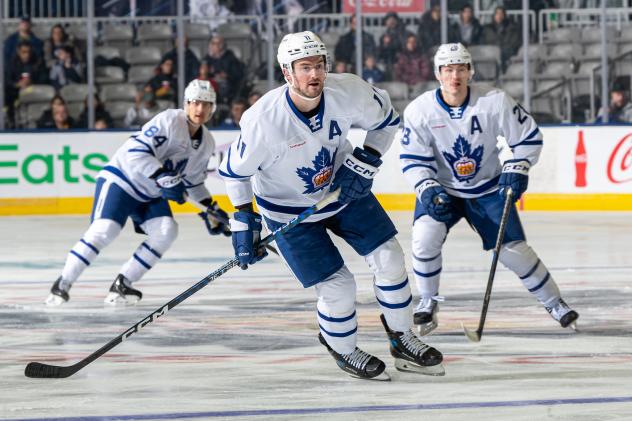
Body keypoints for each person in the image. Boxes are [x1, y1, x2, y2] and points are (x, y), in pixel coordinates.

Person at [218, 31, 444, 381]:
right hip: (288, 213)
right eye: (304, 67)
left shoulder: (347, 91)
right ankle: (343, 348)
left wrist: (366, 159)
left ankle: (402, 338)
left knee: (391, 259)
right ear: (287, 72)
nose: (314, 74)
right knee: (338, 288)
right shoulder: (263, 121)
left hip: (342, 193)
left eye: (319, 65)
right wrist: (244, 221)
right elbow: (234, 172)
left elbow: (388, 121)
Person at [399, 43, 579, 336]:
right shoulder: (420, 110)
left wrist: (517, 167)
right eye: (448, 70)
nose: (454, 76)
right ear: (438, 74)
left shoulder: (494, 101)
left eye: (460, 69)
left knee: (513, 253)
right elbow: (412, 158)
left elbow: (527, 138)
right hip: (443, 189)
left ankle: (555, 303)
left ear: (470, 71)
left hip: (488, 188)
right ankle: (427, 301)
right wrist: (427, 188)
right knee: (423, 237)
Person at [46, 79, 231, 306]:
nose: (199, 109)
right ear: (186, 103)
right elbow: (136, 151)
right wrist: (163, 176)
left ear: (212, 108)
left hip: (151, 192)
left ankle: (123, 283)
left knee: (166, 230)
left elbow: (193, 182)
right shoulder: (169, 121)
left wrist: (210, 210)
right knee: (105, 230)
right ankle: (62, 284)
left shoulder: (207, 143)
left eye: (206, 104)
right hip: (123, 180)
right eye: (195, 103)